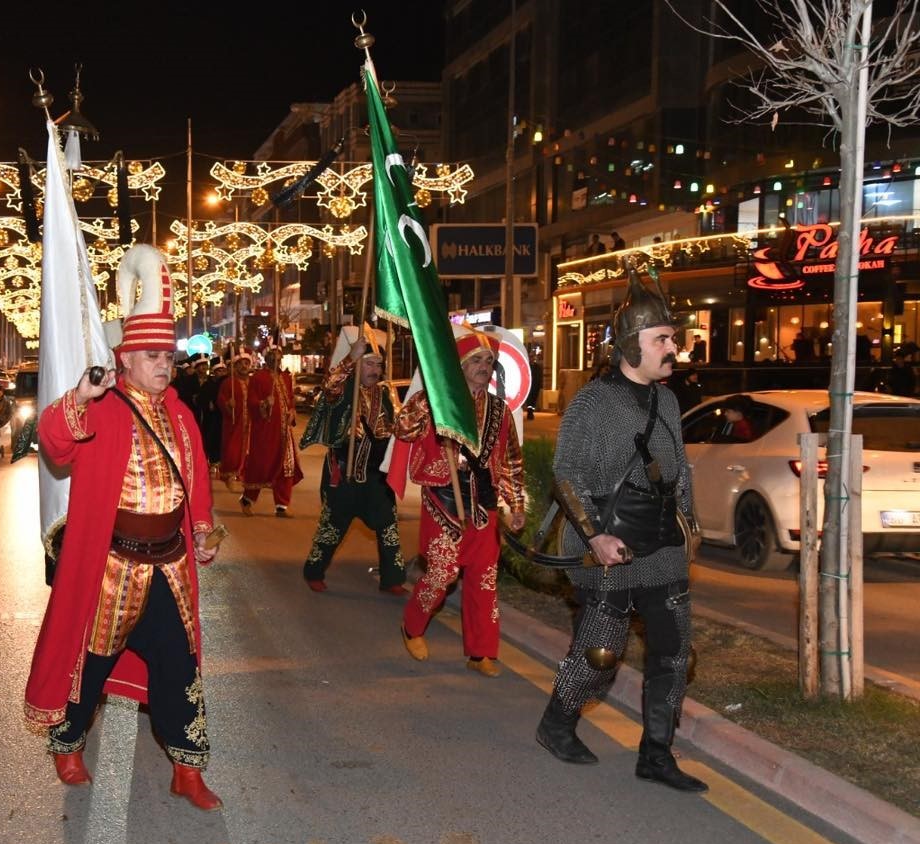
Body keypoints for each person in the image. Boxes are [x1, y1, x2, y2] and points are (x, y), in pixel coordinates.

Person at [23, 244, 223, 810]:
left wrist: (203, 530)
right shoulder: (105, 407)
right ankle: (67, 745)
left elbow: (196, 481)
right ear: (126, 359)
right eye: (153, 355)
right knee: (90, 666)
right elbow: (54, 442)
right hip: (114, 569)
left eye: (170, 356)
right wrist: (79, 396)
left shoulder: (182, 416)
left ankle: (187, 770)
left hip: (170, 567)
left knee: (179, 666)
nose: (165, 364)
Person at [535, 270, 706, 793]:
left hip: (662, 545)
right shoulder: (592, 403)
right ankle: (556, 724)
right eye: (662, 340)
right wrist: (594, 538)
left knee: (674, 652)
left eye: (672, 339)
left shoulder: (669, 402)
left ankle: (656, 753)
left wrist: (689, 526)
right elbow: (567, 476)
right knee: (601, 653)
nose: (672, 348)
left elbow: (678, 471)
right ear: (632, 347)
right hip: (611, 540)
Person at [395, 326, 526, 677]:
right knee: (441, 574)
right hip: (444, 502)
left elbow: (512, 459)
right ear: (460, 366)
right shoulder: (438, 403)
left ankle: (481, 651)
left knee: (484, 580)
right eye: (476, 360)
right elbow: (402, 429)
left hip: (484, 505)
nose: (484, 365)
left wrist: (516, 505)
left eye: (488, 360)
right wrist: (427, 399)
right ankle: (412, 625)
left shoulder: (499, 411)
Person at [301, 342, 405, 593]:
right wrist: (350, 358)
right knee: (332, 527)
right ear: (358, 365)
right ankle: (314, 571)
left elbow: (393, 425)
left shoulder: (384, 394)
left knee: (388, 526)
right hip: (345, 471)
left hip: (376, 473)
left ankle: (392, 579)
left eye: (378, 365)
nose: (375, 370)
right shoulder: (343, 390)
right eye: (369, 363)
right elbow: (328, 386)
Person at [240, 352, 303, 517]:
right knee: (261, 465)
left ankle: (282, 505)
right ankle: (247, 499)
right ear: (267, 360)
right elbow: (251, 402)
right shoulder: (258, 378)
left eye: (278, 358)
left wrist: (292, 410)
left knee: (286, 467)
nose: (276, 361)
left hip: (284, 432)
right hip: (265, 431)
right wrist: (264, 404)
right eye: (273, 358)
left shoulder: (287, 378)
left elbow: (289, 398)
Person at [216, 354, 252, 485]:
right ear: (236, 366)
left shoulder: (253, 382)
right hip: (234, 422)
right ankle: (230, 474)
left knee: (250, 449)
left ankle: (245, 474)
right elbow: (220, 400)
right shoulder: (228, 383)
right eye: (241, 363)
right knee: (232, 449)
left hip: (251, 422)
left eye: (246, 363)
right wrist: (227, 404)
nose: (244, 366)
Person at [196, 357, 225, 467]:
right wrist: (208, 402)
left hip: (222, 416)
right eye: (219, 371)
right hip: (210, 418)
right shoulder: (208, 384)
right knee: (210, 438)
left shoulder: (226, 384)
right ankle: (212, 461)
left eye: (223, 370)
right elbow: (201, 400)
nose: (221, 373)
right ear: (214, 372)